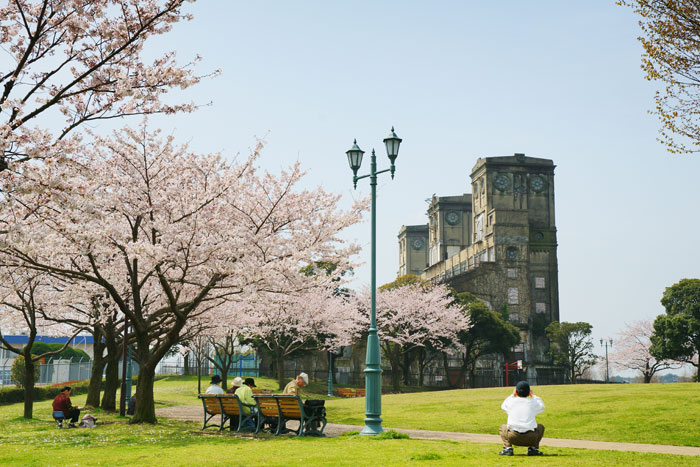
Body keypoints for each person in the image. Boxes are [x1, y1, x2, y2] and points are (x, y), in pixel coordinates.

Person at [499, 381, 545, 456]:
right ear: (529, 392)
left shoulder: (511, 402)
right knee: (540, 427)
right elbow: (542, 406)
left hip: (513, 437)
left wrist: (512, 395)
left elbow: (503, 405)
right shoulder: (532, 403)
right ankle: (533, 448)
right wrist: (533, 396)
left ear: (516, 392)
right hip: (531, 438)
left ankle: (508, 448)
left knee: (502, 427)